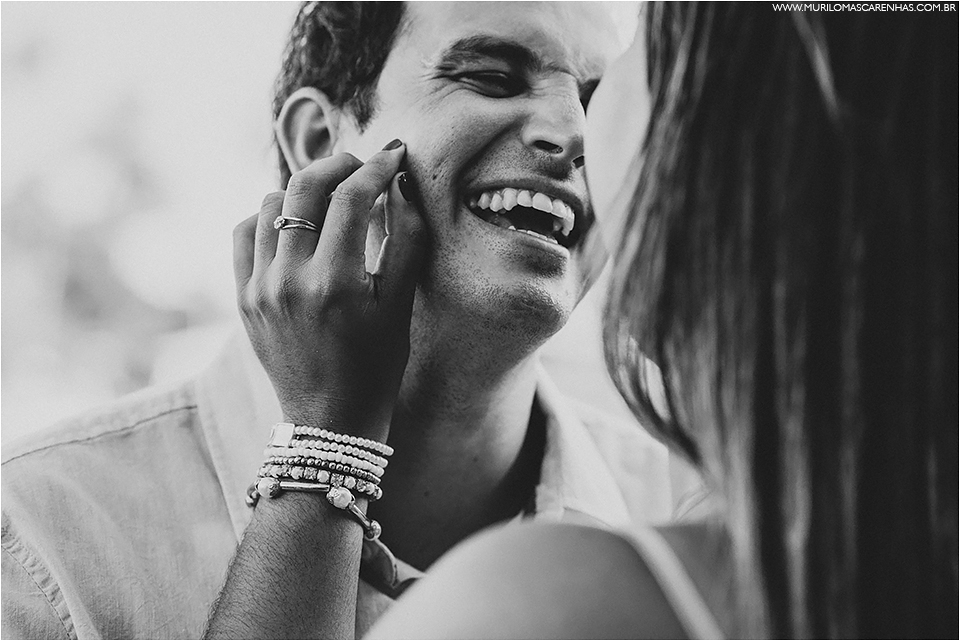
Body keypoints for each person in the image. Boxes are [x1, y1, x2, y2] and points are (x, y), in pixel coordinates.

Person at [2, 3, 684, 639]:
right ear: (320, 140)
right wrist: (326, 442)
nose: (572, 133)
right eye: (491, 76)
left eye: (602, 105)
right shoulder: (43, 535)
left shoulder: (708, 524)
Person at [358, 4, 955, 639]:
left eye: (605, 85)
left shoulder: (541, 606)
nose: (573, 130)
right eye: (490, 78)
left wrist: (320, 454)